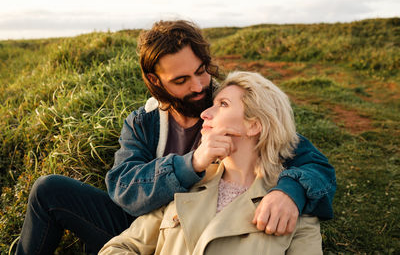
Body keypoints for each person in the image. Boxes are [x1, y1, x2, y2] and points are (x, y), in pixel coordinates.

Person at [15, 20, 335, 255]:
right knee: (48, 191)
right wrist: (192, 163)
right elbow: (123, 189)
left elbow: (313, 163)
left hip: (203, 225)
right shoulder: (144, 123)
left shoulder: (232, 110)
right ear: (156, 81)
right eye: (181, 80)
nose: (198, 86)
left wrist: (289, 192)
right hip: (145, 224)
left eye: (201, 71)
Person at [99, 71, 323, 255]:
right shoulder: (183, 186)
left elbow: (317, 164)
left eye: (223, 104)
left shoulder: (294, 210)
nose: (205, 113)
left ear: (254, 125)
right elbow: (117, 248)